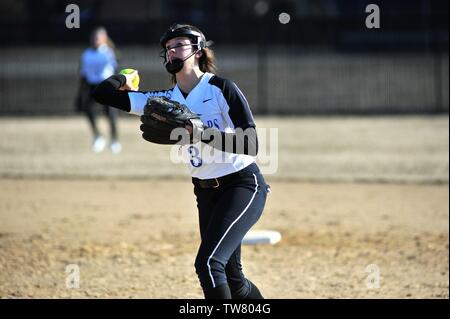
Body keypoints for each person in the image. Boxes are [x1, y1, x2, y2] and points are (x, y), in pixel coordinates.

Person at [93, 23, 271, 299]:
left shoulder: (221, 89)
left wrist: (199, 132)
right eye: (167, 48)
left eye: (178, 46)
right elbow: (101, 94)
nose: (171, 52)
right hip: (205, 191)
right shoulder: (164, 100)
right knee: (234, 279)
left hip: (242, 185)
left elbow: (250, 143)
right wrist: (123, 77)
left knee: (209, 264)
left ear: (198, 50)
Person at [76, 26, 122, 154]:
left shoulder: (110, 53)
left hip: (107, 85)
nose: (96, 39)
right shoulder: (86, 54)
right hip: (92, 86)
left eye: (98, 37)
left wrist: (119, 86)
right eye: (94, 37)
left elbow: (117, 70)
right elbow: (83, 74)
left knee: (111, 115)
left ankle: (114, 141)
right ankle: (98, 136)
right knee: (88, 110)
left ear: (104, 38)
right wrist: (80, 93)